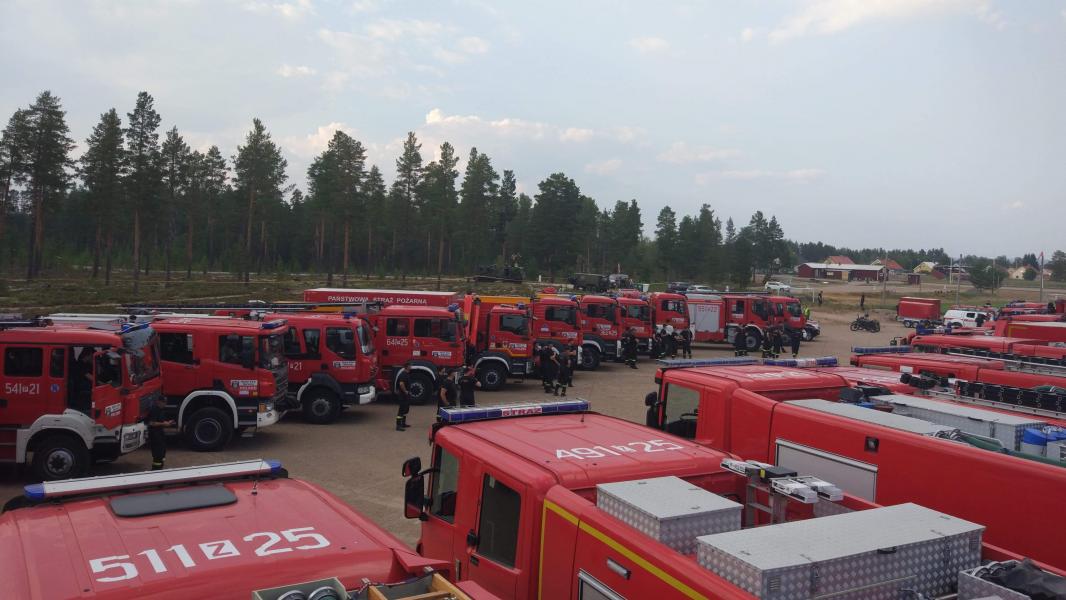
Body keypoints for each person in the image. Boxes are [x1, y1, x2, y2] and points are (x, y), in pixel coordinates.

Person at [146, 395, 174, 470]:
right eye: (163, 402)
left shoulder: (161, 410)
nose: (165, 404)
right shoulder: (154, 410)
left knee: (162, 451)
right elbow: (151, 423)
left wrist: (168, 422)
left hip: (160, 434)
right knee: (158, 454)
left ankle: (160, 468)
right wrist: (164, 424)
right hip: (155, 435)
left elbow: (160, 421)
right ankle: (155, 470)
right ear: (158, 401)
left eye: (165, 402)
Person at [395, 363, 413, 431]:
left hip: (406, 395)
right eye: (410, 366)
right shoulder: (403, 374)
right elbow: (401, 384)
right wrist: (405, 391)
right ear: (407, 367)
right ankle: (398, 425)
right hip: (403, 395)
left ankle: (403, 423)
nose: (411, 367)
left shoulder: (406, 374)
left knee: (405, 409)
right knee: (401, 410)